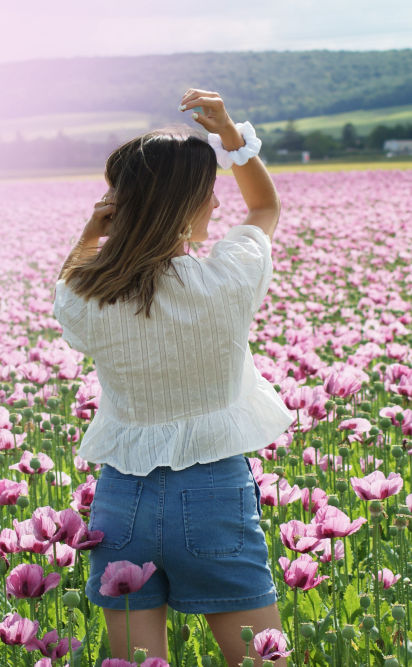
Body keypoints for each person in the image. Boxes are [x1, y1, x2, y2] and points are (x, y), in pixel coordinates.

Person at [53, 89, 295, 667]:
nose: (216, 205)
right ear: (190, 203)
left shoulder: (89, 295)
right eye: (208, 194)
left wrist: (91, 234)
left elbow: (70, 284)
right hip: (214, 495)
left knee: (137, 664)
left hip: (121, 501)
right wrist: (231, 138)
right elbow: (264, 209)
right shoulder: (228, 280)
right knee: (261, 662)